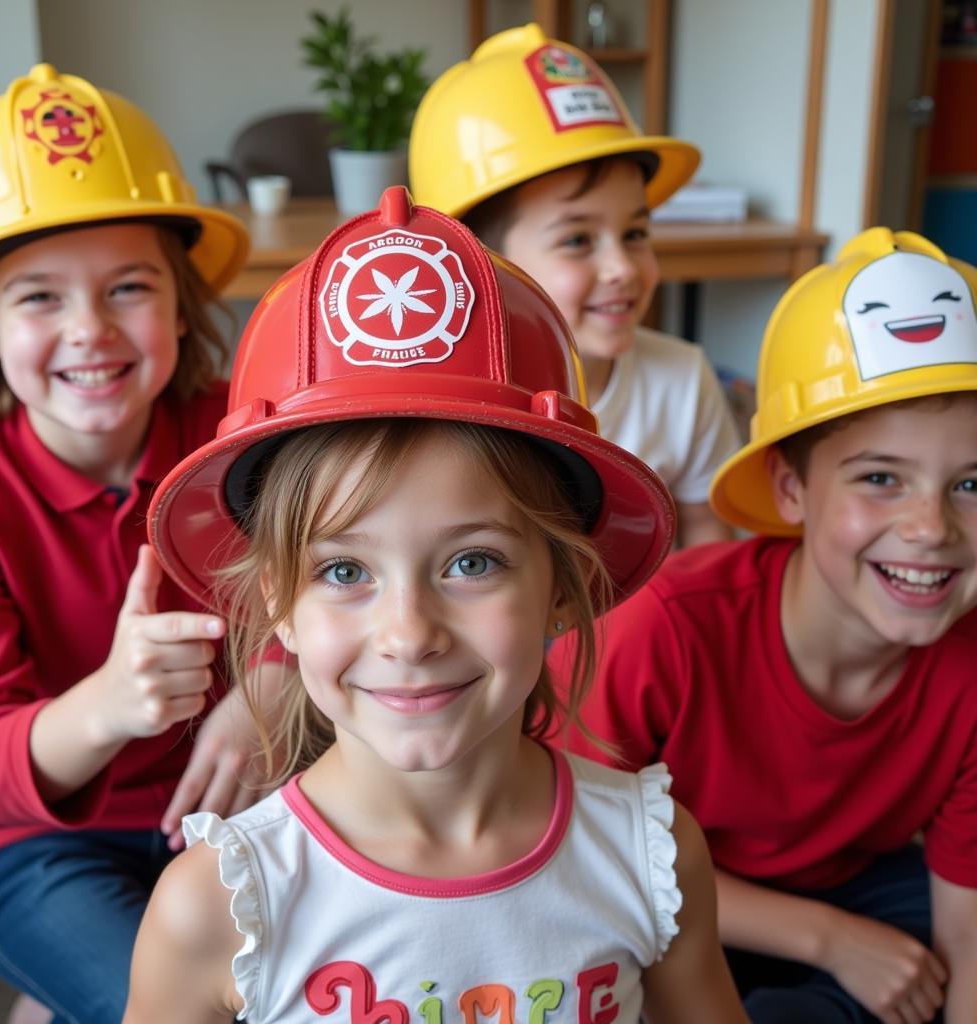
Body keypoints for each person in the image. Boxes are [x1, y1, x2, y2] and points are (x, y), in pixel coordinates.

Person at [122, 187, 747, 1024]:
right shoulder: (218, 908)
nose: (409, 634)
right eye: (344, 572)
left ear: (563, 586)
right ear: (276, 601)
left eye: (473, 561)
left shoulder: (654, 854)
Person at [551, 227, 977, 1023]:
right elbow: (572, 850)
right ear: (790, 489)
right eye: (881, 478)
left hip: (857, 888)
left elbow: (967, 937)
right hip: (653, 891)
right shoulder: (663, 628)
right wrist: (828, 938)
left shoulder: (968, 674)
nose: (931, 528)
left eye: (972, 482)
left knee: (926, 968)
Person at [0, 65, 287, 1024]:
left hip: (235, 806)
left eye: (128, 287)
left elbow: (337, 567)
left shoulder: (241, 433)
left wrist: (265, 684)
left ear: (181, 307)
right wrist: (109, 702)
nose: (90, 330)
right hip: (28, 844)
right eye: (38, 298)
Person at [408, 24, 740, 547]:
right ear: (481, 265)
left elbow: (706, 535)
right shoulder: (442, 405)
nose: (623, 268)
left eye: (634, 233)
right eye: (578, 239)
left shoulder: (682, 380)